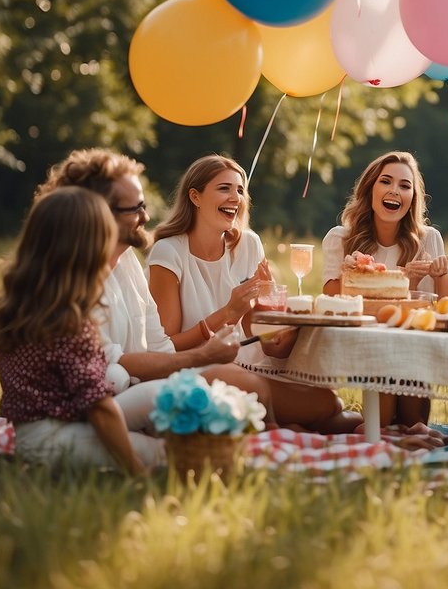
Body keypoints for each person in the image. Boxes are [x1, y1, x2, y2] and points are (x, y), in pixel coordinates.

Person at [148, 153, 360, 433]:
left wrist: (280, 322)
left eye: (240, 190)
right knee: (252, 385)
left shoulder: (248, 244)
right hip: (195, 370)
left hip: (248, 366)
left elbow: (259, 337)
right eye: (224, 188)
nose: (235, 197)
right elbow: (166, 347)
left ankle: (286, 425)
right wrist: (226, 314)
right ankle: (283, 425)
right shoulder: (168, 252)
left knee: (328, 401)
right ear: (195, 197)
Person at [34, 149, 258, 399]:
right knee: (240, 385)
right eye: (135, 208)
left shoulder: (127, 262)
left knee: (242, 386)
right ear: (101, 213)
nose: (146, 217)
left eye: (239, 190)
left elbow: (160, 348)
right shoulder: (70, 278)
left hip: (137, 389)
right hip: (98, 404)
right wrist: (205, 356)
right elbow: (109, 368)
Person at [0, 187, 160, 474]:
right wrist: (136, 470)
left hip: (67, 416)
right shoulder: (63, 317)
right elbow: (99, 409)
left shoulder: (36, 293)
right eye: (103, 238)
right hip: (48, 437)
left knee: (159, 395)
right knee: (160, 454)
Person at [321, 151, 448, 429]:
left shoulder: (428, 239)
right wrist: (352, 272)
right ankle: (382, 435)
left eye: (405, 186)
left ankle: (405, 435)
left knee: (411, 421)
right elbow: (331, 299)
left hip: (413, 354)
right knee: (380, 423)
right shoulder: (341, 239)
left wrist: (439, 276)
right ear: (370, 189)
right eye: (386, 181)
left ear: (413, 198)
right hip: (366, 350)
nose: (395, 191)